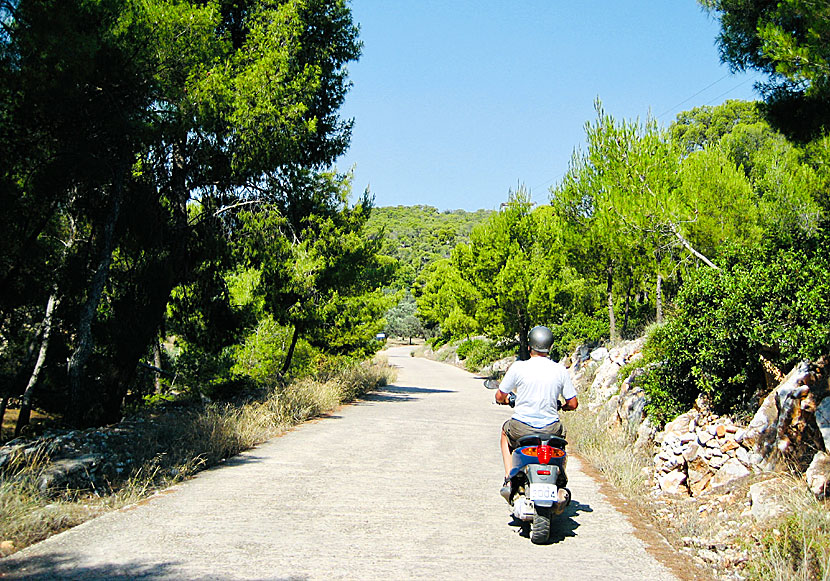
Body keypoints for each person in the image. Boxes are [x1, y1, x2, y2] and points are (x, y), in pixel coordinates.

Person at [495, 325, 578, 501]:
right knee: (561, 441)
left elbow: (500, 395)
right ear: (550, 347)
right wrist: (563, 407)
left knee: (504, 432)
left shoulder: (518, 367)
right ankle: (559, 476)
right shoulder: (560, 370)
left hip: (521, 428)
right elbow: (573, 403)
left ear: (529, 346)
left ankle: (509, 479)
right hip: (550, 429)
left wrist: (504, 400)